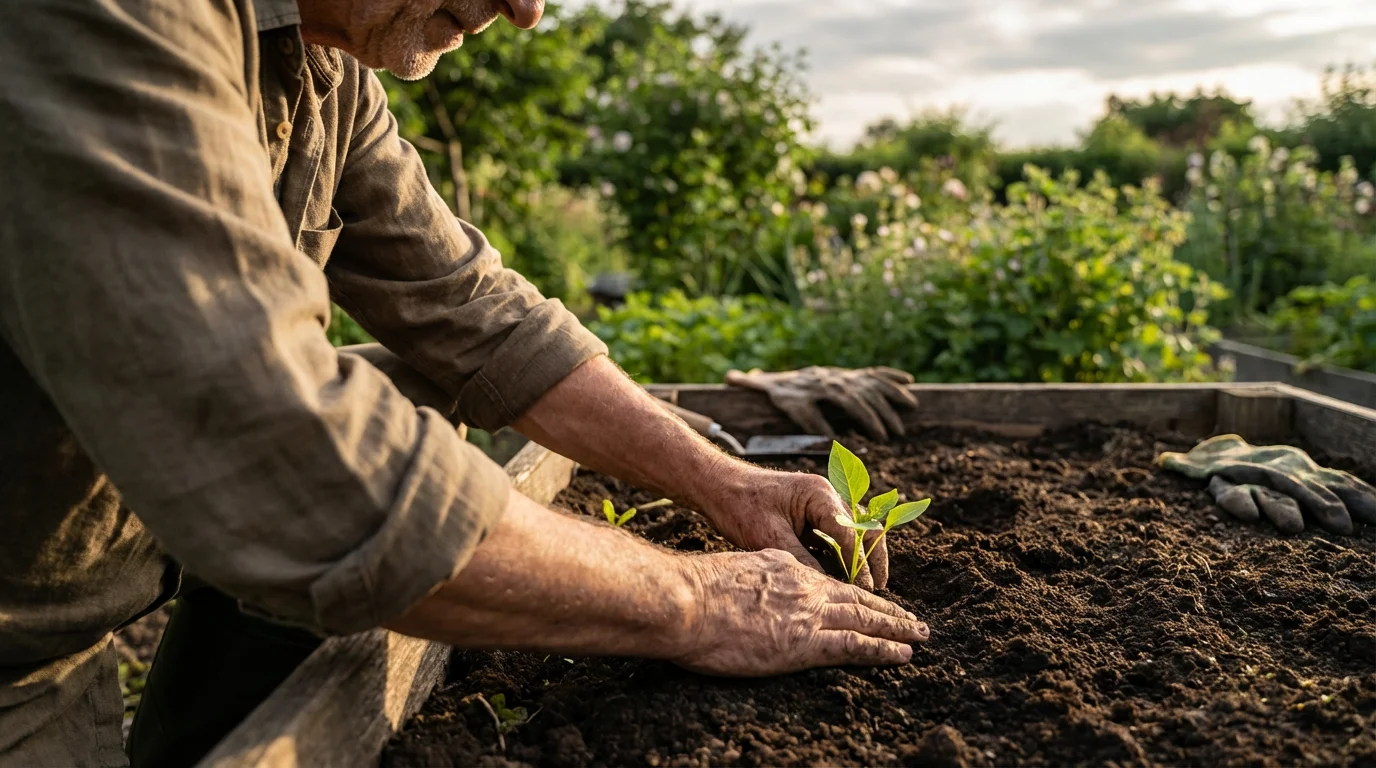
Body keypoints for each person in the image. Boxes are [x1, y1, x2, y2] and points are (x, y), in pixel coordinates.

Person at [0, 1, 928, 766]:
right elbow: (286, 456)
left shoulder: (323, 71)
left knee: (411, 392)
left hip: (92, 571)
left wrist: (727, 482)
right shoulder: (104, 22)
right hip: (18, 648)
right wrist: (698, 602)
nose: (525, 12)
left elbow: (478, 314)